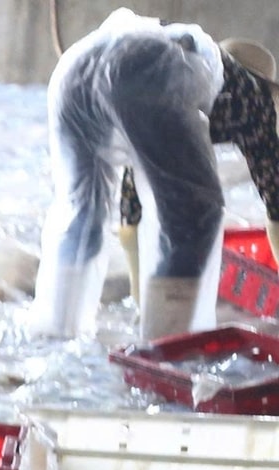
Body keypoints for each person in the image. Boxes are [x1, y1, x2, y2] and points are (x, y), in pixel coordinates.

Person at [33, 10, 279, 341]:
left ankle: (55, 331)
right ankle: (165, 350)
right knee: (195, 217)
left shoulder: (194, 67)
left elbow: (132, 200)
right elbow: (274, 190)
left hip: (75, 70)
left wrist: (140, 291)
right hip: (137, 73)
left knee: (82, 210)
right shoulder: (251, 95)